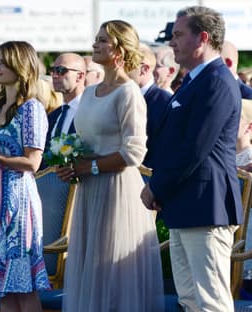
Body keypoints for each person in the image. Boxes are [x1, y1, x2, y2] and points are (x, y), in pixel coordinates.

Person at [141, 6, 243, 311]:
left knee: (211, 301)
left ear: (202, 38)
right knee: (189, 299)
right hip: (186, 204)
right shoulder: (195, 80)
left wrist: (156, 187)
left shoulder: (217, 81)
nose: (171, 42)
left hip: (206, 207)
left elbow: (193, 148)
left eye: (178, 35)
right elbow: (172, 143)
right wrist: (162, 189)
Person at [57, 20, 164, 312]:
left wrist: (88, 168)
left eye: (103, 40)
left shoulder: (129, 93)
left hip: (117, 191)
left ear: (118, 49)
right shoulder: (89, 93)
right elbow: (83, 142)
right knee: (89, 265)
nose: (95, 44)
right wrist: (69, 163)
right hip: (89, 190)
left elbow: (134, 152)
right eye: (96, 38)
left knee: (111, 269)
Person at [0, 41, 51, 312]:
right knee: (4, 287)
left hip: (19, 202)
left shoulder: (31, 108)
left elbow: (33, 161)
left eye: (4, 62)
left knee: (23, 284)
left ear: (21, 66)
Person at [128, 43, 172, 168]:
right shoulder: (122, 97)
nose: (122, 69)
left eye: (128, 64)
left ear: (144, 69)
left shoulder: (164, 102)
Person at [46, 53, 85, 145]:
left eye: (61, 70)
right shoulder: (53, 116)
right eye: (53, 70)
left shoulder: (91, 111)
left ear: (79, 76)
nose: (55, 76)